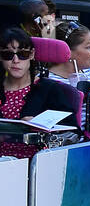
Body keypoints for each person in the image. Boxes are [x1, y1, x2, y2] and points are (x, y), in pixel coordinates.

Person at [0, 28, 79, 159]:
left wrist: (41, 126)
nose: (15, 60)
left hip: (35, 164)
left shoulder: (49, 89)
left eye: (22, 54)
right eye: (8, 55)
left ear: (31, 55)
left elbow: (72, 131)